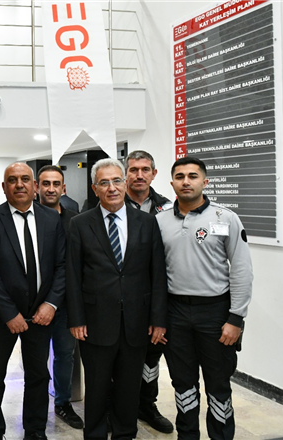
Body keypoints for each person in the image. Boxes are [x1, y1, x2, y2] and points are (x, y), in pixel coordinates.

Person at [67, 158, 167, 440]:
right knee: (97, 388)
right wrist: (76, 319)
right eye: (104, 182)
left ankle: (125, 434)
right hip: (95, 323)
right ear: (94, 188)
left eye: (116, 181)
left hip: (137, 323)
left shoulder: (147, 222)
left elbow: (157, 273)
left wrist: (158, 319)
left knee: (128, 389)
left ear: (124, 183)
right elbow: (73, 274)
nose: (111, 188)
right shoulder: (80, 224)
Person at [157, 157, 253, 440]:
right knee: (183, 383)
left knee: (218, 384)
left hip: (215, 313)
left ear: (205, 182)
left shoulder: (226, 218)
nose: (186, 181)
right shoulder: (159, 221)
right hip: (175, 312)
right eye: (180, 176)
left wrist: (236, 318)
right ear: (172, 183)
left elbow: (241, 269)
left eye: (193, 176)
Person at [0, 163, 66, 440]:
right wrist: (9, 313)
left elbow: (62, 266)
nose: (19, 184)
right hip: (2, 317)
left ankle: (35, 429)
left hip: (42, 314)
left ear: (35, 186)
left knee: (38, 375)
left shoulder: (52, 219)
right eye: (13, 180)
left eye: (25, 179)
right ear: (4, 187)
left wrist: (51, 304)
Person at [124, 150, 174, 434]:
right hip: (123, 296)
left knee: (152, 356)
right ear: (126, 174)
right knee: (120, 357)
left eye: (145, 170)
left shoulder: (167, 208)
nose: (139, 175)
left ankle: (147, 405)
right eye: (133, 170)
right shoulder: (111, 203)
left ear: (154, 174)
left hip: (157, 294)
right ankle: (118, 408)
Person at [36, 165, 83, 430]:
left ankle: (62, 402)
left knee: (65, 355)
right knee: (36, 359)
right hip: (34, 305)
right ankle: (35, 407)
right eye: (46, 183)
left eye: (56, 184)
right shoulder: (28, 217)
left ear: (63, 188)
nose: (51, 189)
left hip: (66, 304)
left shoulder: (76, 221)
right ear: (37, 187)